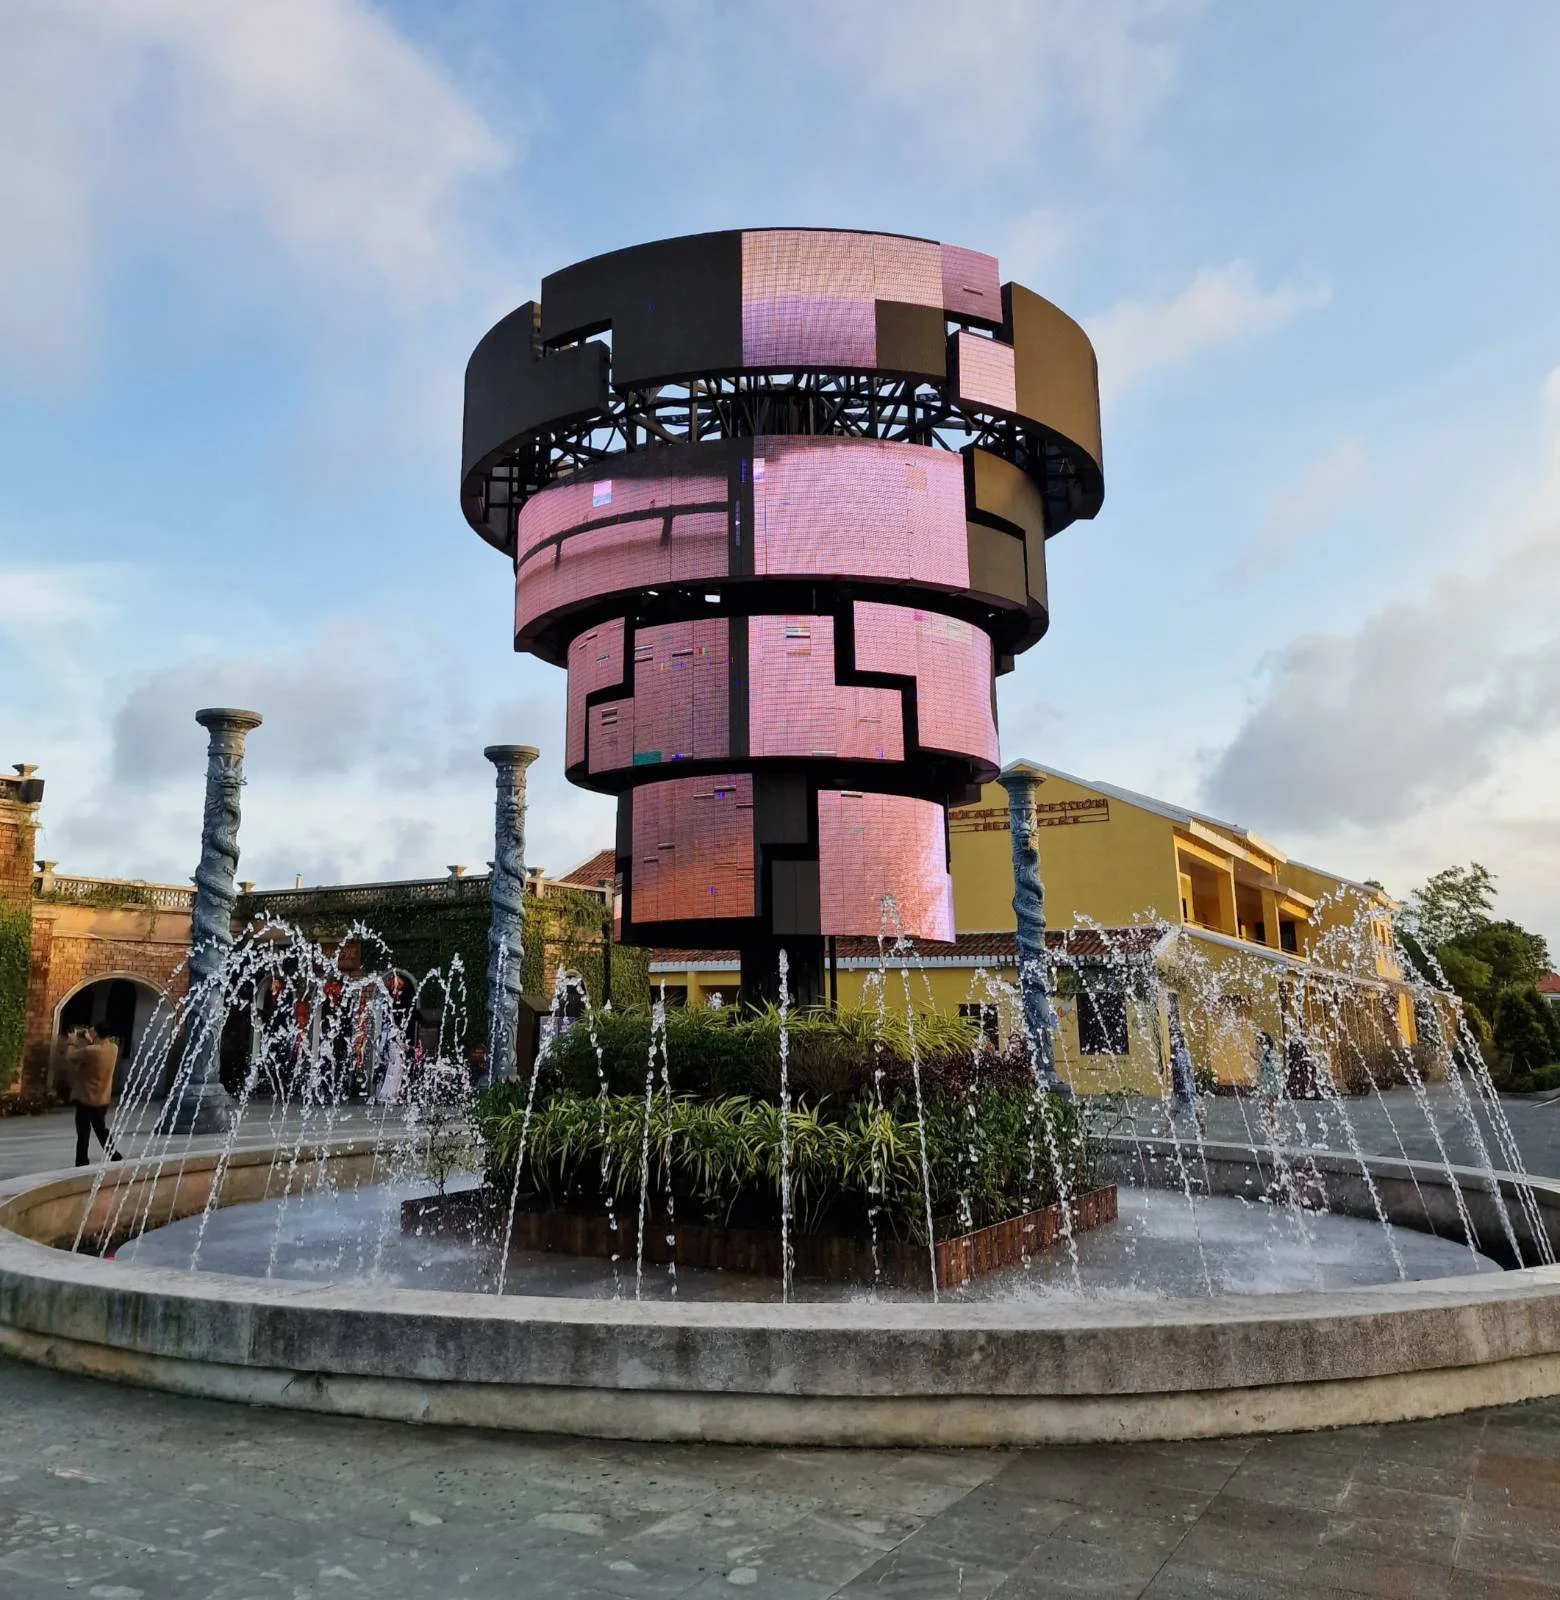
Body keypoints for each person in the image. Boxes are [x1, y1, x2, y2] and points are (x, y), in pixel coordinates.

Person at [54, 1027, 123, 1166]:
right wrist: (90, 1040)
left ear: (97, 1033)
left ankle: (82, 1161)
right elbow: (97, 1052)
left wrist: (72, 1041)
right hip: (102, 1097)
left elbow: (70, 1056)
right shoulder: (113, 1048)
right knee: (100, 1128)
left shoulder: (90, 1051)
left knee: (83, 1132)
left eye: (91, 1031)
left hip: (86, 1097)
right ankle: (113, 1154)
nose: (88, 1032)